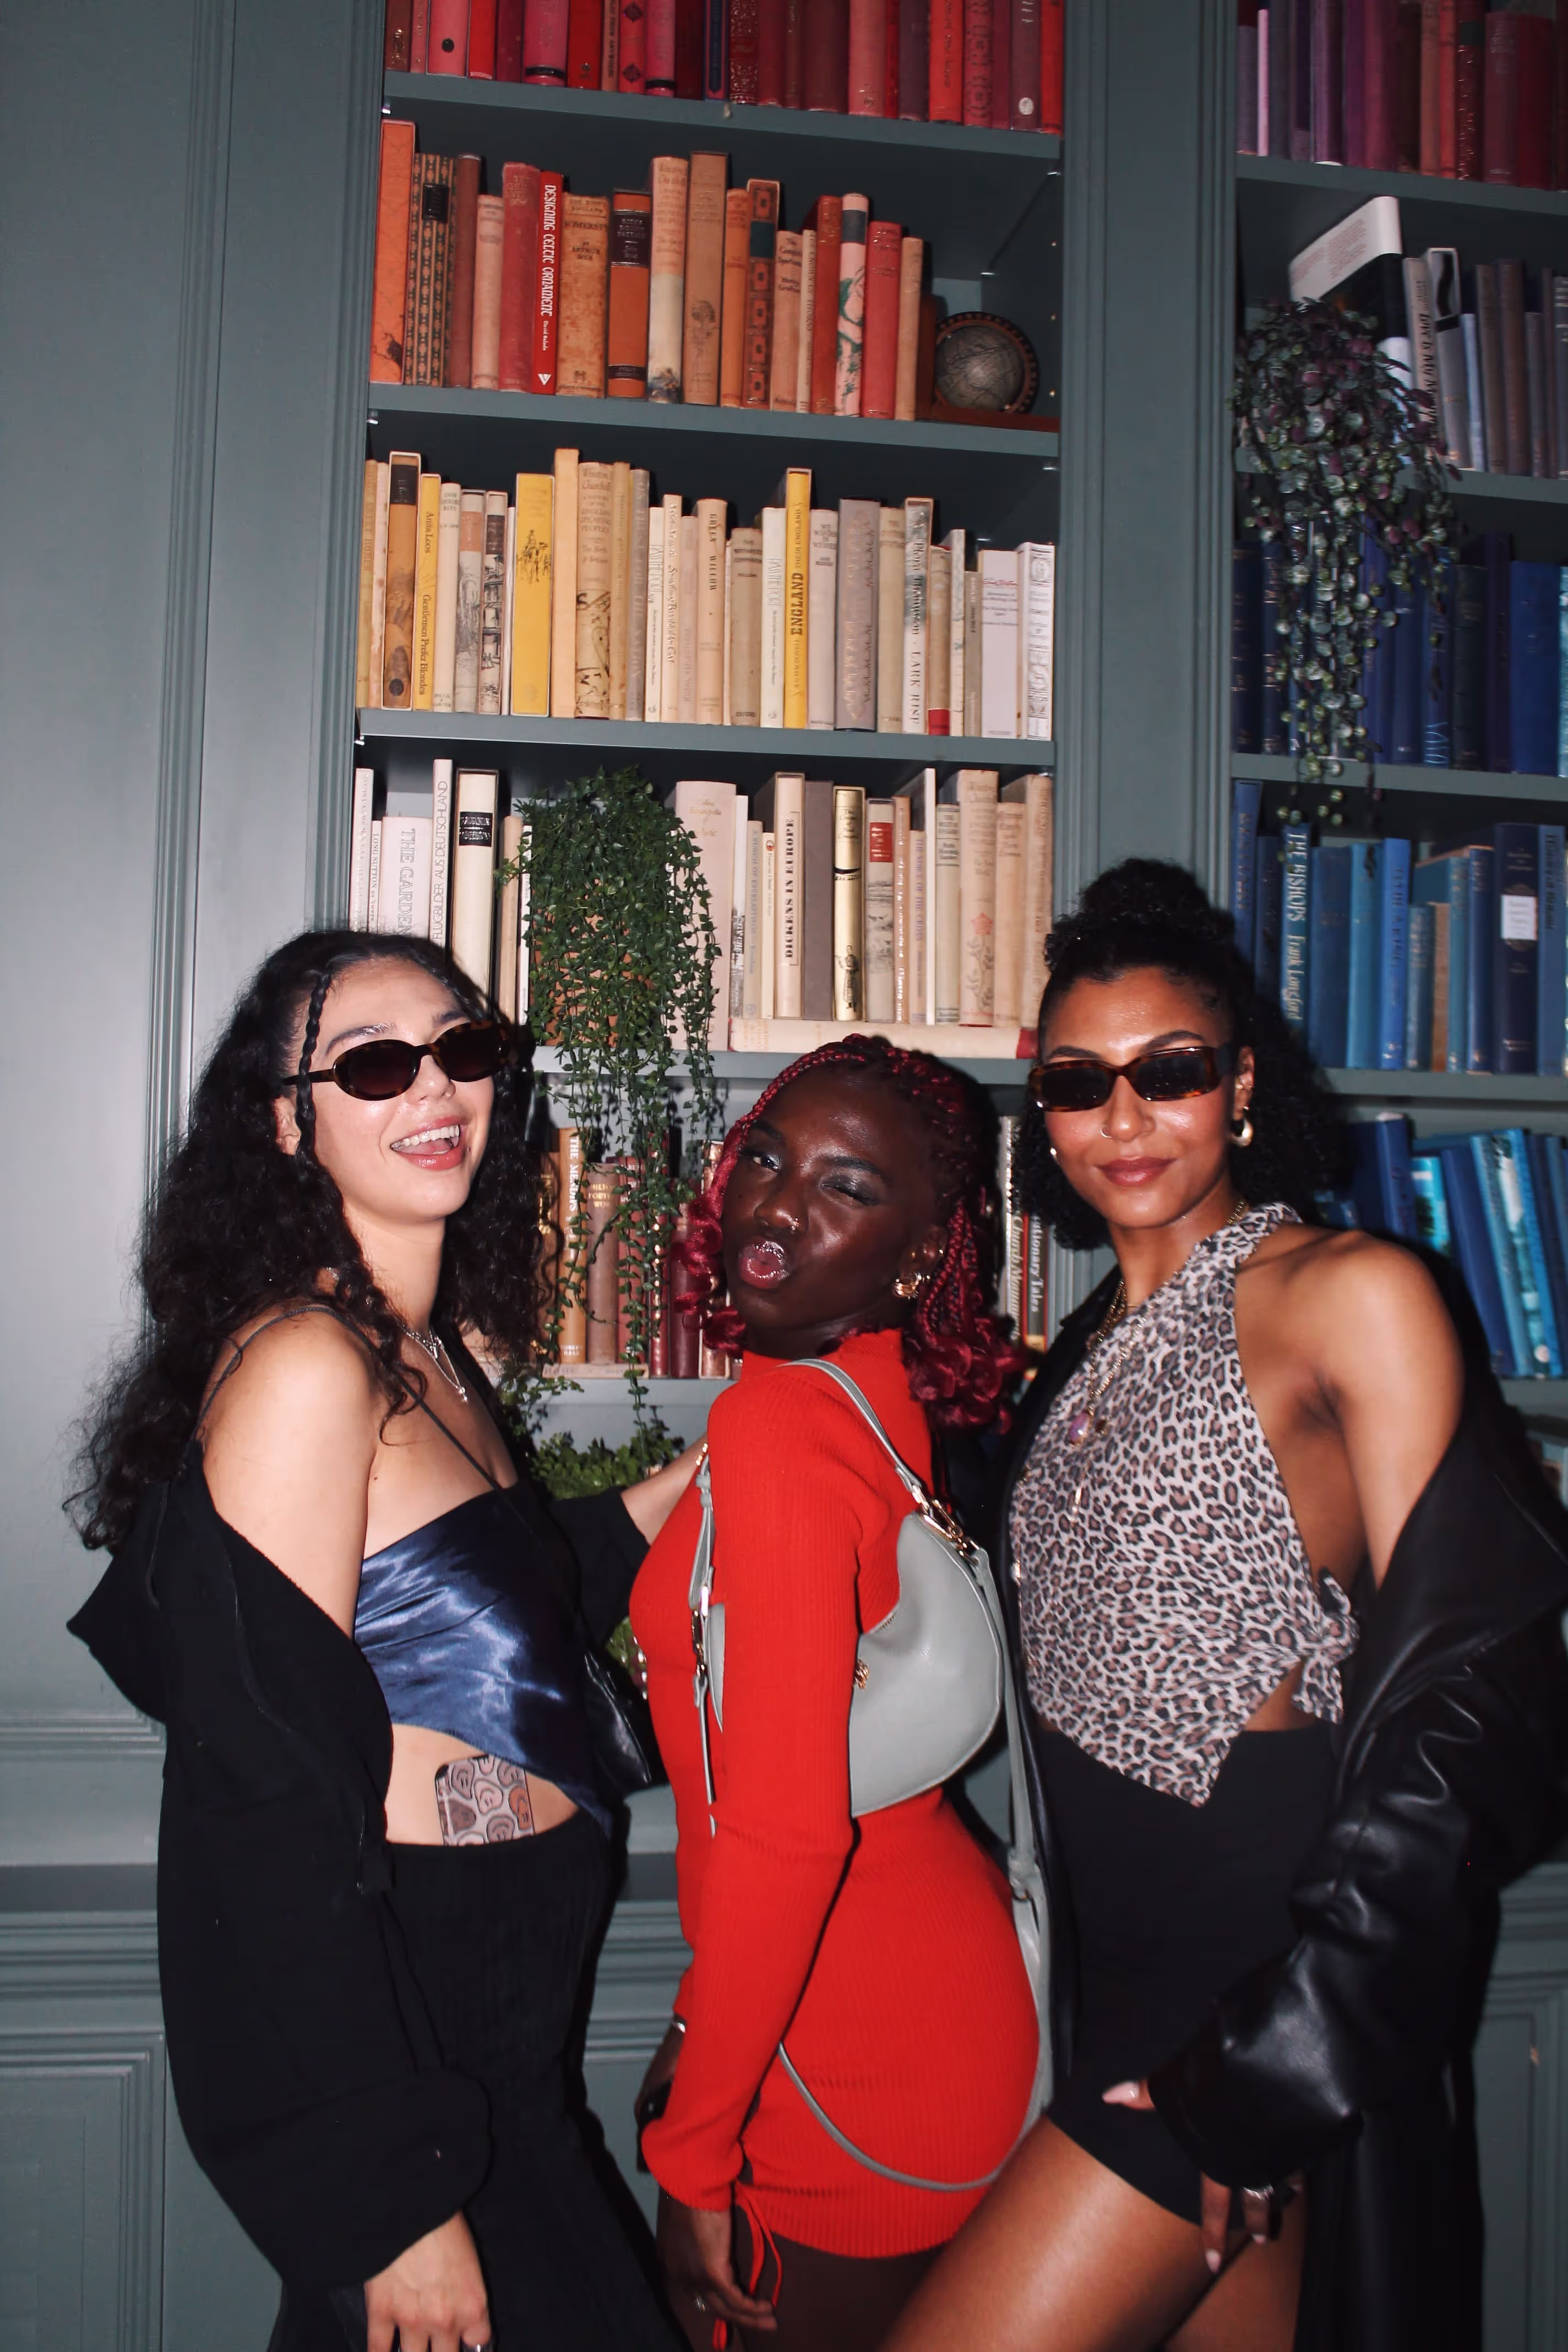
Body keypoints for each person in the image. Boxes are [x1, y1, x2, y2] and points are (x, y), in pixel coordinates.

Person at [882, 859, 1568, 2352]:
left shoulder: (1348, 1292)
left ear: (1242, 1084)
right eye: (1080, 1083)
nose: (1123, 1120)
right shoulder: (1073, 1355)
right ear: (1040, 1109)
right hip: (1105, 1991)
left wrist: (1279, 2059)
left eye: (1170, 1073)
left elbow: (1480, 1695)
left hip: (1257, 1995)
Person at [68, 928, 695, 2352]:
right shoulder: (302, 1366)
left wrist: (727, 1462)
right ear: (287, 1121)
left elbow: (500, 1601)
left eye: (467, 1051)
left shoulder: (425, 1353)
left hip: (508, 2042)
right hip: (414, 2029)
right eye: (375, 1064)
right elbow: (262, 1807)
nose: (437, 1090)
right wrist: (384, 2199)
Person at [628, 1035, 1040, 2352]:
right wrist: (704, 2032)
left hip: (850, 2044)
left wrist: (697, 2153)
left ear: (920, 1259)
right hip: (902, 1995)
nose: (779, 1200)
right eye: (766, 1157)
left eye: (845, 1186)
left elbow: (787, 1830)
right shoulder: (865, 1397)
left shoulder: (780, 1430)